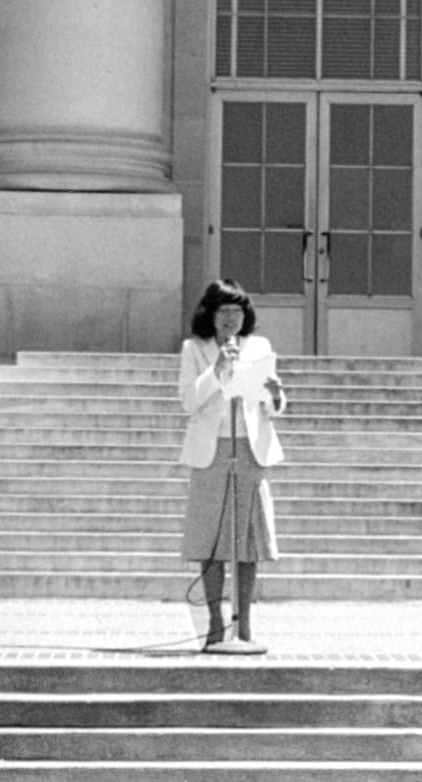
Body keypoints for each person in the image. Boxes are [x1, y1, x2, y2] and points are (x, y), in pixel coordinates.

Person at [177, 278, 286, 650]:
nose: (230, 319)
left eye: (237, 311)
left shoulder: (259, 346)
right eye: (223, 311)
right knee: (211, 540)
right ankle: (213, 622)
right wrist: (218, 367)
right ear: (210, 313)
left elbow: (273, 405)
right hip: (212, 451)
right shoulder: (195, 349)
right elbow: (189, 402)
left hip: (249, 450)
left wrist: (275, 395)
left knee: (247, 542)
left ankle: (245, 625)